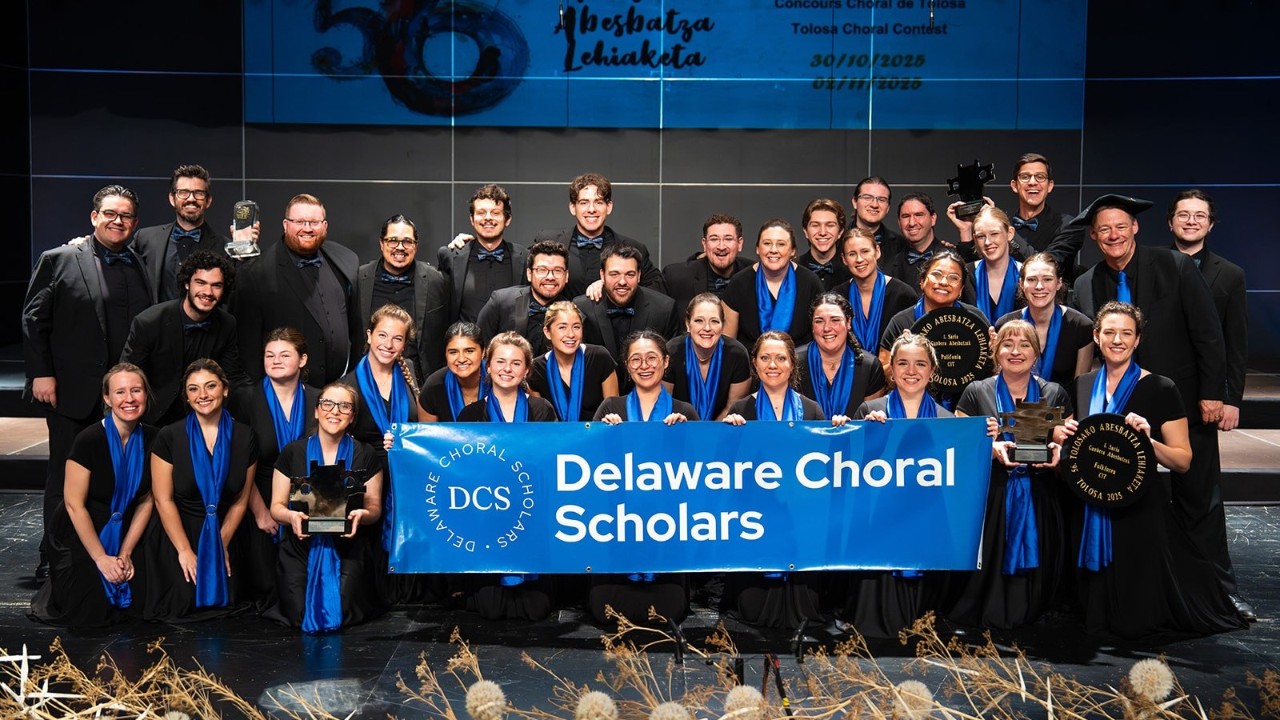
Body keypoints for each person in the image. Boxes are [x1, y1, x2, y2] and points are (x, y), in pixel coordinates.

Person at [1069, 194, 1251, 620]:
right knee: (1128, 501)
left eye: (1121, 226)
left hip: (1180, 402)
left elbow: (1210, 334)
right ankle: (1136, 589)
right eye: (1103, 230)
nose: (1113, 235)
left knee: (1197, 499)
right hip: (1115, 410)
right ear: (1093, 237)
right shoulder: (1085, 283)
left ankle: (1218, 592)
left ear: (1136, 228)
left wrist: (1216, 393)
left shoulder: (1176, 266)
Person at [1059, 302, 1245, 638]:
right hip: (1092, 505)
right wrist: (1063, 434)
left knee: (1136, 619)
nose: (1118, 340)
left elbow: (1183, 460)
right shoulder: (1083, 385)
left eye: (1126, 333)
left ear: (1138, 340)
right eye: (1110, 332)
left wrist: (1148, 442)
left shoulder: (1161, 388)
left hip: (1139, 509)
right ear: (1097, 337)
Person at [24, 184, 156, 584]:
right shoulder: (60, 258)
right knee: (63, 479)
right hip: (72, 391)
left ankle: (107, 552)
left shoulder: (139, 264)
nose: (118, 222)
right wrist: (40, 373)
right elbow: (33, 319)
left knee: (116, 479)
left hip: (123, 398)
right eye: (110, 214)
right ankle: (56, 555)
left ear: (135, 223)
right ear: (94, 217)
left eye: (126, 216)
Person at [949, 320, 1072, 629]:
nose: (1015, 351)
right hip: (991, 495)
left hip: (1040, 493)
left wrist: (1059, 453)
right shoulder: (976, 391)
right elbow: (959, 445)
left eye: (1025, 345)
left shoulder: (1054, 392)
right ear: (996, 350)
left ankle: (1035, 608)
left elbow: (1067, 443)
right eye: (1007, 344)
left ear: (1037, 352)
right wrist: (988, 447)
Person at [723, 331, 843, 629]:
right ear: (755, 363)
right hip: (755, 517)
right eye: (765, 358)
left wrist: (840, 430)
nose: (772, 364)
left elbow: (827, 465)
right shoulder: (741, 410)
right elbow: (728, 470)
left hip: (800, 515)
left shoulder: (813, 410)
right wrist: (728, 434)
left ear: (792, 364)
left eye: (780, 358)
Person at [29, 364, 157, 627]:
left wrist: (126, 552)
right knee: (91, 610)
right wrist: (101, 558)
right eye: (120, 392)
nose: (129, 399)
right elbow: (74, 505)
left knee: (147, 605)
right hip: (82, 529)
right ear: (107, 399)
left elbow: (148, 499)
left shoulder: (155, 438)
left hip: (128, 529)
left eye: (136, 390)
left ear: (146, 394)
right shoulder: (88, 439)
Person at [844, 332, 952, 638]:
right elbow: (848, 465)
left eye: (920, 364)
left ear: (932, 370)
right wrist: (859, 432)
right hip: (876, 521)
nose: (911, 371)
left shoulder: (947, 421)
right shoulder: (870, 411)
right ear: (890, 367)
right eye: (903, 363)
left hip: (925, 523)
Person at [588, 330, 697, 625]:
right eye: (636, 359)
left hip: (668, 525)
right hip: (617, 522)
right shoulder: (610, 408)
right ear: (626, 365)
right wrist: (604, 435)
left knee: (669, 611)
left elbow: (701, 476)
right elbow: (588, 469)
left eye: (651, 358)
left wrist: (685, 438)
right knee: (604, 610)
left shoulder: (684, 412)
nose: (644, 365)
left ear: (665, 362)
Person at [139, 359, 259, 621]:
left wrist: (220, 544)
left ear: (225, 390)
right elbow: (163, 499)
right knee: (181, 601)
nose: (202, 395)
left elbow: (241, 499)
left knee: (231, 602)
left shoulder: (245, 435)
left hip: (225, 530)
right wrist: (184, 550)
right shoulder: (169, 436)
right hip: (178, 529)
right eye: (193, 389)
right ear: (187, 396)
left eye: (210, 386)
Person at [267, 383, 386, 632]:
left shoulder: (365, 454)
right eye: (328, 404)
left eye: (344, 406)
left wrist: (362, 515)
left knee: (343, 611)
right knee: (301, 613)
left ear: (352, 416)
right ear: (316, 411)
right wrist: (291, 516)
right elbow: (276, 508)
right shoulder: (292, 452)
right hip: (300, 546)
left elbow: (374, 509)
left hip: (349, 545)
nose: (335, 411)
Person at [457, 332, 557, 620]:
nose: (507, 369)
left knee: (536, 610)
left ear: (526, 370)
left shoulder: (542, 410)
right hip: (488, 514)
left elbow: (551, 459)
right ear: (487, 366)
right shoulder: (470, 414)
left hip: (531, 512)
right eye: (500, 361)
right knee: (489, 610)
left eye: (515, 363)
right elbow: (459, 468)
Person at [227, 327, 319, 606]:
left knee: (307, 591)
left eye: (284, 354)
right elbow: (239, 464)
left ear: (302, 360)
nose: (275, 360)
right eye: (269, 355)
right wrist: (260, 513)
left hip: (311, 499)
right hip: (260, 498)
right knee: (269, 589)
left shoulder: (320, 397)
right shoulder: (244, 398)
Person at [231, 193, 360, 386]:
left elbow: (355, 328)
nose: (307, 229)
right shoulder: (256, 272)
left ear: (325, 226)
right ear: (285, 225)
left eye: (314, 222)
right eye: (299, 221)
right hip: (283, 393)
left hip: (338, 390)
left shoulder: (347, 261)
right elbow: (247, 347)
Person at [122, 250, 248, 425]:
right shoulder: (149, 322)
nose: (208, 292)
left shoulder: (227, 323)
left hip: (202, 416)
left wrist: (264, 401)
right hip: (153, 417)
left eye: (216, 285)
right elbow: (126, 376)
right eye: (201, 283)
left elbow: (233, 375)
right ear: (187, 284)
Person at [1168, 190, 1247, 434]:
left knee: (1198, 469)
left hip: (1204, 388)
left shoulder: (1231, 274)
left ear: (1210, 224)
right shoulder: (1152, 264)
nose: (1191, 221)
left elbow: (1236, 343)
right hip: (1159, 381)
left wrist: (1231, 399)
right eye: (1183, 215)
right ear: (1170, 222)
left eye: (1200, 216)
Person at [878, 250, 990, 408]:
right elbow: (883, 376)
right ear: (922, 281)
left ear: (961, 289)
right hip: (912, 407)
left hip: (967, 408)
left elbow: (988, 372)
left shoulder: (975, 318)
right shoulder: (901, 322)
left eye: (954, 278)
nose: (944, 282)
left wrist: (995, 351)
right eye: (937, 274)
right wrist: (900, 356)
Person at [534, 173, 665, 298]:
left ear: (609, 207)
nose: (591, 209)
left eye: (599, 202)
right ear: (573, 207)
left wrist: (613, 284)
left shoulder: (634, 248)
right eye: (584, 202)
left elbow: (657, 290)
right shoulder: (547, 241)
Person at [356, 214, 448, 383]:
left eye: (407, 241)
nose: (400, 247)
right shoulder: (360, 278)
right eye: (392, 240)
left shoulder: (436, 280)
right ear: (381, 244)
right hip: (369, 380)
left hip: (420, 381)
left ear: (416, 246)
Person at [575, 245, 680, 385]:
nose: (622, 282)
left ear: (639, 276)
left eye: (630, 274)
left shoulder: (664, 308)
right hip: (595, 401)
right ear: (602, 275)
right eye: (614, 274)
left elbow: (672, 367)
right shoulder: (582, 308)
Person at [132, 164, 234, 302]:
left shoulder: (226, 248)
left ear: (208, 201)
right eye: (184, 192)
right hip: (157, 322)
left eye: (198, 193)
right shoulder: (145, 239)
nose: (191, 199)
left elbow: (238, 294)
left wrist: (247, 248)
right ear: (172, 198)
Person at [994, 253, 1093, 389]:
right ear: (1021, 284)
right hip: (1013, 407)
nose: (1039, 286)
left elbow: (1080, 388)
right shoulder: (1005, 324)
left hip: (1064, 407)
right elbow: (999, 379)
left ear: (1058, 283)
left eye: (1047, 279)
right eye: (1032, 279)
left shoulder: (1081, 326)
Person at [722, 219, 825, 348]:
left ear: (793, 251)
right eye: (767, 243)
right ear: (757, 249)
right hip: (750, 364)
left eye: (781, 244)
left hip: (800, 364)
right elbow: (728, 344)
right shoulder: (739, 283)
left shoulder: (810, 282)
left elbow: (823, 335)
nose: (773, 250)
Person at [437, 185, 529, 324]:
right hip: (466, 342)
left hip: (508, 343)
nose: (488, 218)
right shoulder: (451, 256)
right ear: (472, 219)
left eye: (495, 213)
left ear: (507, 219)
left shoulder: (523, 258)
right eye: (481, 212)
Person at [664, 293, 752, 421]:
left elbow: (733, 408)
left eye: (714, 321)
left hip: (721, 429)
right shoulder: (672, 351)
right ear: (688, 325)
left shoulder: (737, 354)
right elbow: (666, 405)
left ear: (722, 326)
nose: (707, 328)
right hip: (679, 427)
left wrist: (710, 435)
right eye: (699, 321)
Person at [798, 293, 887, 418]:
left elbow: (869, 422)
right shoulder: (794, 363)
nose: (827, 328)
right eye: (819, 321)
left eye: (835, 320)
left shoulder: (870, 366)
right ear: (812, 326)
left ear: (848, 322)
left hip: (854, 437)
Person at [477, 240, 572, 356]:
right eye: (542, 270)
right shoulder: (501, 302)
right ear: (529, 274)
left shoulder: (572, 313)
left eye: (558, 271)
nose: (550, 277)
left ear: (566, 276)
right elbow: (480, 347)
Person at [832, 227, 917, 355]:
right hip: (848, 372)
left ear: (877, 252)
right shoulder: (836, 297)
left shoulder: (903, 295)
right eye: (852, 254)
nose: (859, 259)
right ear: (844, 259)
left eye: (865, 251)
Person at [529, 301, 618, 421]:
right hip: (555, 438)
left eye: (576, 327)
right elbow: (539, 419)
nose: (571, 334)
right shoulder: (536, 368)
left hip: (598, 436)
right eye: (562, 327)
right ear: (547, 332)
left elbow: (613, 411)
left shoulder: (599, 357)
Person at [1006, 153, 1084, 279]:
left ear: (1050, 186)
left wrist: (1007, 233)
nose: (1032, 182)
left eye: (1040, 177)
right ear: (1015, 185)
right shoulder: (1002, 227)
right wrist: (966, 230)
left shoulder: (1069, 226)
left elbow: (1043, 267)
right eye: (1025, 177)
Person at [662, 213, 752, 313]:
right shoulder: (676, 276)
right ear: (704, 244)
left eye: (728, 239)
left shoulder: (755, 275)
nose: (721, 247)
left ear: (739, 244)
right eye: (714, 239)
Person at [959, 206, 1023, 324]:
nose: (988, 242)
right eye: (981, 236)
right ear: (974, 238)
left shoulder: (1026, 275)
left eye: (994, 234)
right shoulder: (966, 273)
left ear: (1010, 233)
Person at [882, 193, 957, 292]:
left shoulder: (954, 258)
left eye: (918, 215)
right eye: (905, 216)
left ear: (933, 219)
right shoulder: (890, 266)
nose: (912, 223)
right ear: (899, 222)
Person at [419, 322, 488, 422]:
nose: (461, 359)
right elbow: (426, 436)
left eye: (469, 351)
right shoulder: (434, 387)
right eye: (453, 352)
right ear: (445, 354)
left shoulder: (499, 380)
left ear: (483, 352)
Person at [849, 176, 906, 265]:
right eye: (867, 197)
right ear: (855, 202)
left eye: (881, 199)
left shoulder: (901, 245)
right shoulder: (837, 240)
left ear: (888, 208)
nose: (874, 204)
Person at [798, 198, 851, 291]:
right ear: (806, 231)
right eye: (815, 225)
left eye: (830, 225)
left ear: (840, 232)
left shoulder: (851, 269)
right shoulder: (793, 269)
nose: (822, 232)